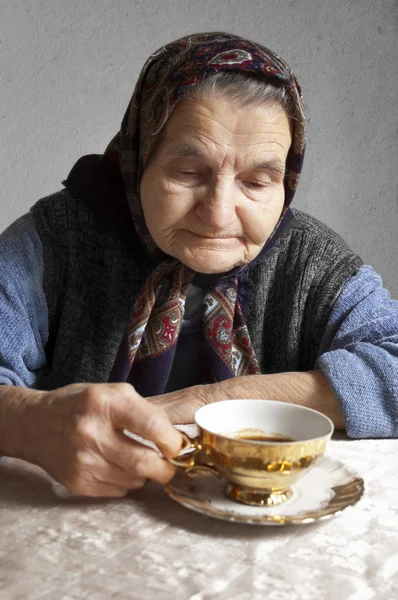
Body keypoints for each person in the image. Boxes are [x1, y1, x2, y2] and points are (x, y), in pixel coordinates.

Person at [0, 32, 397, 497]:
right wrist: (26, 423)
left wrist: (211, 401)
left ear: (285, 183)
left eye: (257, 181)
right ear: (139, 157)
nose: (218, 213)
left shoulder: (313, 263)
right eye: (188, 173)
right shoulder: (56, 239)